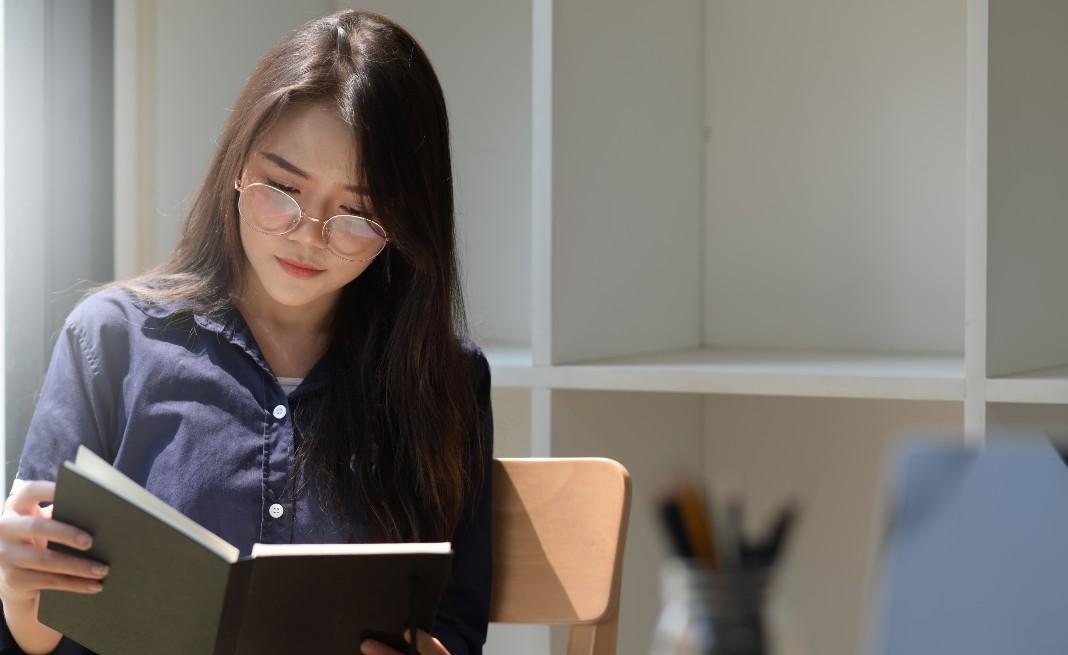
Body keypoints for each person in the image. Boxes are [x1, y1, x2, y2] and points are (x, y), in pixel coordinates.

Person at [0, 9, 492, 655]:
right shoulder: (110, 343)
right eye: (282, 188)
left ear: (405, 225)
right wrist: (18, 592)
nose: (307, 235)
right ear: (237, 166)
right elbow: (34, 630)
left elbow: (456, 623)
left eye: (357, 214)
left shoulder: (445, 380)